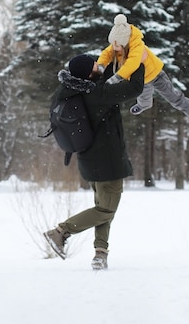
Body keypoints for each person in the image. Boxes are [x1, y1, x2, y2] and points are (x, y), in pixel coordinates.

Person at [43, 54, 145, 270]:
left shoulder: (72, 90)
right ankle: (60, 231)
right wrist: (140, 60)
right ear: (89, 73)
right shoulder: (97, 94)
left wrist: (116, 54)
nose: (99, 66)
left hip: (89, 160)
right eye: (95, 65)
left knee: (102, 208)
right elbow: (135, 88)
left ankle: (100, 254)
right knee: (106, 211)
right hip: (108, 161)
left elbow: (104, 78)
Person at [98, 14, 189, 132]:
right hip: (143, 79)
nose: (115, 49)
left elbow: (132, 64)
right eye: (113, 45)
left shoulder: (137, 46)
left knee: (175, 98)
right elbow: (106, 54)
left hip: (156, 75)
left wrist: (116, 78)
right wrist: (100, 67)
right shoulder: (118, 43)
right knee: (143, 99)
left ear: (125, 42)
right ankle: (144, 106)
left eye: (118, 46)